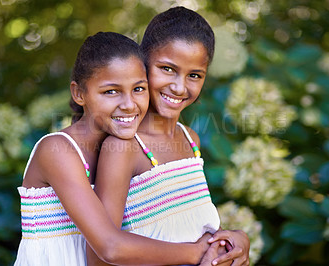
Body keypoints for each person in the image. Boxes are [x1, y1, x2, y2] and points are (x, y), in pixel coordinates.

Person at [14, 31, 221, 266]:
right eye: (110, 92)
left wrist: (232, 240)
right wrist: (196, 253)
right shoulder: (58, 150)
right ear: (79, 93)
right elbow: (109, 247)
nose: (129, 104)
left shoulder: (124, 151)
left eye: (138, 89)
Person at [88, 7, 250, 266]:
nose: (179, 86)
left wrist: (237, 240)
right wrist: (195, 253)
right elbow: (100, 256)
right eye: (167, 69)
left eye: (194, 75)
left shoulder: (190, 140)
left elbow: (186, 228)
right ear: (142, 64)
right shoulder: (124, 147)